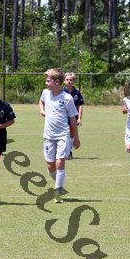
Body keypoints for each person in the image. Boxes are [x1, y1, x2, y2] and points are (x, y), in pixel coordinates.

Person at [39, 68, 80, 203]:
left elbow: (73, 119)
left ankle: (57, 192)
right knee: (50, 166)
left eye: (48, 81)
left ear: (57, 82)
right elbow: (41, 101)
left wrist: (76, 138)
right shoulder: (45, 93)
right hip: (48, 135)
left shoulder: (67, 98)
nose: (46, 83)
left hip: (63, 135)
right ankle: (59, 184)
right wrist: (42, 110)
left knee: (59, 162)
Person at [62, 72, 84, 160]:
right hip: (63, 117)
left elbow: (80, 106)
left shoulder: (77, 93)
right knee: (64, 134)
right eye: (67, 80)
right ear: (64, 81)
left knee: (71, 134)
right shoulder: (61, 92)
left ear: (74, 81)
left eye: (71, 80)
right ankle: (64, 151)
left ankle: (69, 151)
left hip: (73, 118)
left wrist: (79, 118)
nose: (69, 81)